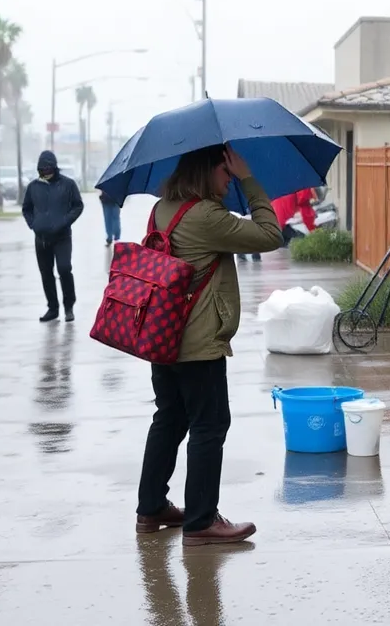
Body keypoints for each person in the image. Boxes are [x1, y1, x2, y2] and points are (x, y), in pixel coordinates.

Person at [135, 144, 281, 546]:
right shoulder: (205, 216)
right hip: (197, 343)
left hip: (163, 336)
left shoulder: (164, 208)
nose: (229, 179)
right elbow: (271, 235)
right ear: (206, 171)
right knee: (209, 425)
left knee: (169, 419)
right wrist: (251, 181)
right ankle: (201, 521)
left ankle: (151, 509)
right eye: (225, 172)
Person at [22, 150, 85, 322]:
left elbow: (78, 206)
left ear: (55, 168)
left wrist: (65, 221)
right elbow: (26, 208)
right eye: (43, 169)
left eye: (49, 168)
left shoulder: (68, 184)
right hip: (41, 238)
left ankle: (69, 306)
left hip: (62, 236)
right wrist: (33, 224)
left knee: (64, 269)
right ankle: (53, 307)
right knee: (46, 273)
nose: (46, 172)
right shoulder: (33, 187)